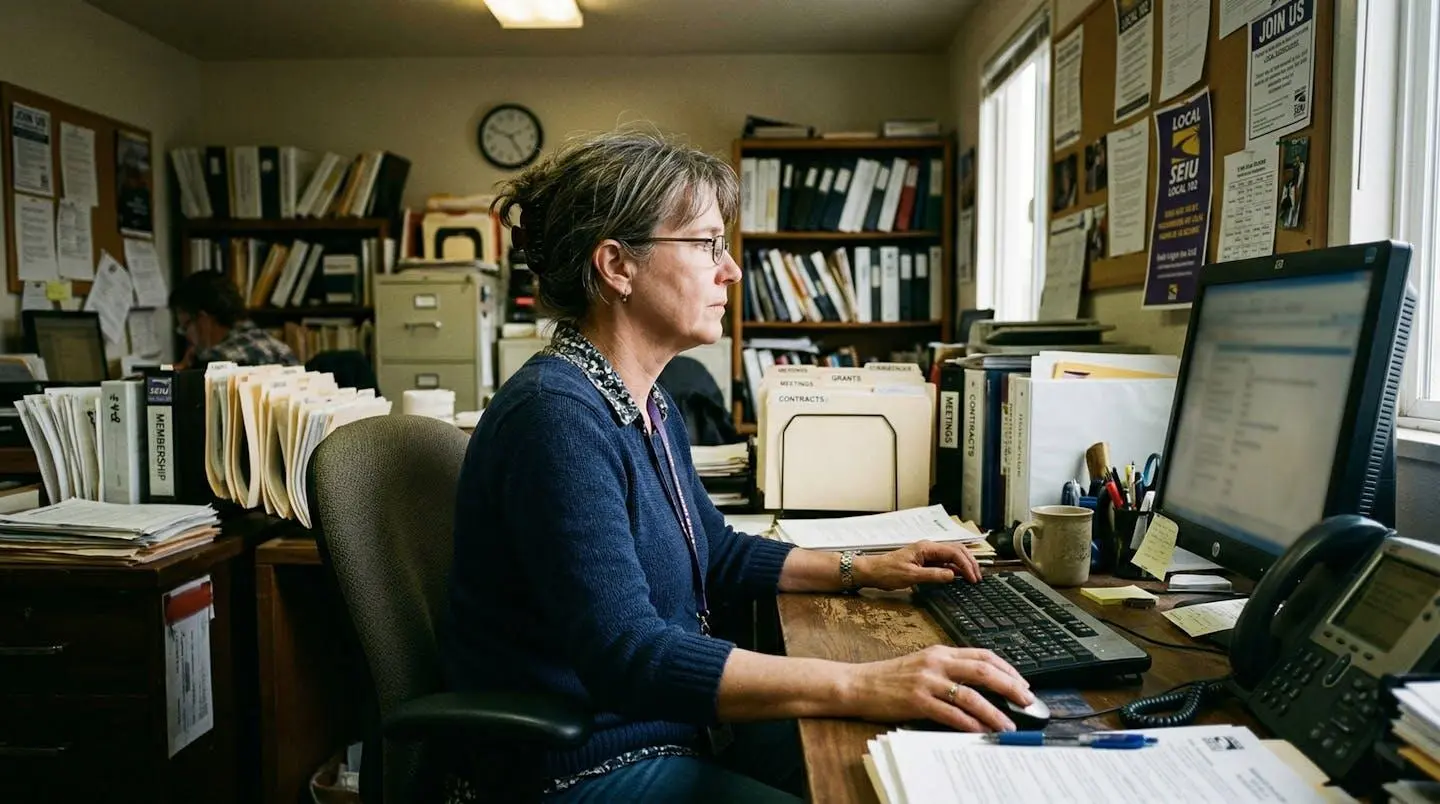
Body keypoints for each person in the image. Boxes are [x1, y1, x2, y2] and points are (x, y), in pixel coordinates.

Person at [443, 129, 1033, 803]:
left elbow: (716, 552)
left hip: (674, 727)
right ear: (617, 265)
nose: (731, 270)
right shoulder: (557, 418)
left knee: (931, 755)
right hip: (582, 764)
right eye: (705, 244)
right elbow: (627, 656)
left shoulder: (645, 398)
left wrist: (865, 568)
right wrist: (862, 682)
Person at [168, 270, 298, 369]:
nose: (187, 336)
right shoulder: (281, 349)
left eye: (185, 327)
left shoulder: (216, 362)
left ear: (203, 320)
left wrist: (184, 374)